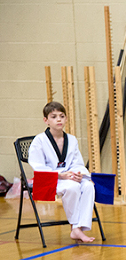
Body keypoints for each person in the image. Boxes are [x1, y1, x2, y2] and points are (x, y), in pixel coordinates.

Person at [28, 101, 96, 243]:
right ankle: (75, 228)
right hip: (51, 179)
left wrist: (78, 173)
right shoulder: (39, 141)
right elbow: (37, 166)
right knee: (72, 187)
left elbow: (77, 162)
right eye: (53, 116)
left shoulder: (71, 139)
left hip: (69, 176)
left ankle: (79, 227)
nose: (58, 119)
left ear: (66, 119)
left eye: (61, 116)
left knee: (89, 186)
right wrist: (59, 175)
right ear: (46, 120)